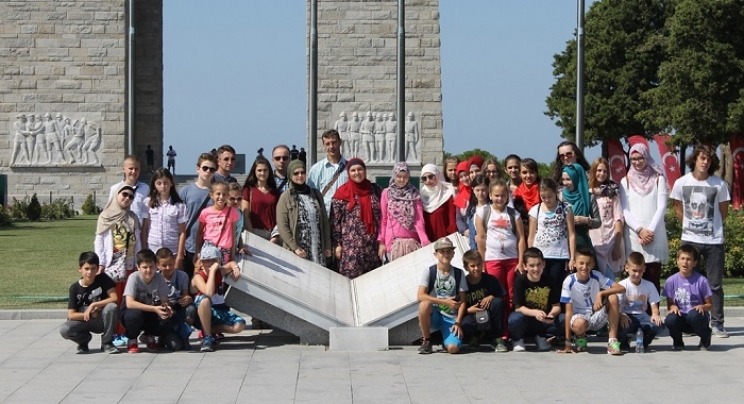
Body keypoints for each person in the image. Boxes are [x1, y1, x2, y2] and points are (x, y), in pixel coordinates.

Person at [670, 145, 730, 338]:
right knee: (686, 281)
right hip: (690, 238)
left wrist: (711, 226)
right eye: (702, 158)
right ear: (694, 159)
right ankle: (686, 320)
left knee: (715, 284)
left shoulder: (718, 185)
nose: (705, 162)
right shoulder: (681, 183)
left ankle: (717, 323)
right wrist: (689, 224)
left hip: (714, 240)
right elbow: (678, 208)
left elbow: (724, 212)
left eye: (708, 160)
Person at [95, 183, 141, 345]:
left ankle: (123, 332)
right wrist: (100, 263)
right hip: (111, 265)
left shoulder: (133, 217)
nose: (127, 198)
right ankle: (112, 332)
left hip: (129, 264)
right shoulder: (106, 215)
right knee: (113, 299)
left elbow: (138, 240)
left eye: (130, 196)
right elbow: (99, 240)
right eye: (124, 195)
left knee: (125, 298)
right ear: (117, 195)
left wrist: (138, 262)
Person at [557, 247, 625, 355]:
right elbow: (568, 312)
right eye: (581, 263)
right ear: (574, 264)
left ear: (593, 264)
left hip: (596, 315)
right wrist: (567, 344)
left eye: (588, 264)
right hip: (579, 318)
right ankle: (580, 337)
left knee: (613, 297)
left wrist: (601, 293)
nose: (585, 267)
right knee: (579, 324)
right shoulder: (569, 281)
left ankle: (612, 342)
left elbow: (621, 288)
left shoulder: (597, 276)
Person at [619, 143, 668, 292]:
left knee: (653, 279)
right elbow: (625, 210)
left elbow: (661, 206)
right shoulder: (625, 181)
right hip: (634, 236)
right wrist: (640, 230)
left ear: (646, 157)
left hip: (655, 235)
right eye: (633, 159)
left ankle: (653, 314)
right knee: (634, 280)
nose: (637, 162)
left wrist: (649, 231)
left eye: (640, 158)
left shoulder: (659, 179)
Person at [475, 180, 525, 324]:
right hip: (492, 259)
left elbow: (521, 238)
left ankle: (510, 329)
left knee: (511, 294)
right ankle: (498, 330)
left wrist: (521, 261)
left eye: (503, 195)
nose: (499, 198)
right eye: (496, 195)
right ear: (490, 195)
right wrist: (482, 262)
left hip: (512, 259)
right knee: (496, 294)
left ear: (507, 197)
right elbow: (481, 238)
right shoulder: (483, 212)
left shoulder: (514, 214)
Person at [59, 252, 120, 354]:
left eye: (93, 269)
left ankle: (107, 342)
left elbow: (114, 298)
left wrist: (94, 305)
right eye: (86, 269)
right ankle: (84, 340)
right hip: (83, 321)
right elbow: (71, 315)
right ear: (80, 269)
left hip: (100, 320)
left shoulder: (102, 279)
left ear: (97, 269)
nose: (90, 272)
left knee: (112, 307)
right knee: (65, 330)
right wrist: (90, 314)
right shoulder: (74, 288)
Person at [331, 158, 382, 278]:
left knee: (372, 282)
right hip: (351, 250)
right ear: (348, 173)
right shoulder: (341, 193)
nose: (356, 173)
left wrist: (382, 241)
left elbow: (383, 217)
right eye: (353, 170)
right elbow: (335, 222)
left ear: (365, 171)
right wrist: (337, 245)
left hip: (372, 248)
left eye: (360, 169)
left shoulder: (375, 190)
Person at [416, 237, 468, 354]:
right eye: (442, 251)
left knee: (453, 349)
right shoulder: (430, 271)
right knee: (424, 305)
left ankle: (446, 341)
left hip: (450, 317)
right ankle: (427, 341)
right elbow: (420, 295)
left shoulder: (459, 273)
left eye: (448, 251)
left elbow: (463, 300)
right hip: (433, 314)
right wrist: (444, 302)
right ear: (436, 254)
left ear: (453, 254)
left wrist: (458, 322)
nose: (446, 254)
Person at [277, 159, 331, 266]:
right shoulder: (286, 197)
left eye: (302, 172)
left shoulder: (316, 194)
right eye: (296, 173)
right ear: (290, 175)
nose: (300, 176)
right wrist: (295, 247)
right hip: (298, 251)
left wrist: (328, 245)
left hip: (317, 250)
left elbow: (324, 222)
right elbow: (283, 227)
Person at [190, 244, 244, 352]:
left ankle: (211, 330)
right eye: (206, 261)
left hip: (218, 311)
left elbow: (230, 264)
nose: (209, 264)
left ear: (218, 261)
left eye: (213, 260)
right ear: (201, 262)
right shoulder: (198, 277)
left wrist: (235, 267)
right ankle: (207, 336)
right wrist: (213, 272)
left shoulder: (220, 271)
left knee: (240, 324)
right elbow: (208, 292)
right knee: (205, 300)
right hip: (201, 314)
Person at [120, 249, 175, 353]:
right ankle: (132, 339)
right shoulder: (134, 277)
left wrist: (166, 308)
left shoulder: (158, 277)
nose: (148, 270)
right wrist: (155, 309)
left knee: (167, 317)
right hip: (130, 311)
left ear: (156, 266)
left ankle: (148, 335)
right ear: (138, 267)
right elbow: (130, 303)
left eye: (151, 267)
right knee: (135, 315)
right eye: (145, 267)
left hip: (149, 311)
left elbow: (165, 299)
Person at [508, 248, 562, 352]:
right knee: (515, 319)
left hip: (543, 320)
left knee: (563, 320)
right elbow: (518, 308)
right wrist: (535, 312)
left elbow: (556, 306)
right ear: (525, 266)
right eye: (532, 265)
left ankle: (542, 337)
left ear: (544, 264)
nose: (536, 269)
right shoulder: (520, 280)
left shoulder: (549, 280)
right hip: (526, 319)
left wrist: (551, 315)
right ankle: (517, 339)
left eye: (539, 264)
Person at [662, 245, 713, 351]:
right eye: (682, 259)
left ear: (694, 263)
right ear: (677, 261)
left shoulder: (701, 281)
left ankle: (705, 337)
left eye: (689, 259)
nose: (685, 262)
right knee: (670, 319)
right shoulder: (671, 281)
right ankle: (677, 341)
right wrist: (673, 307)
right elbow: (670, 304)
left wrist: (703, 306)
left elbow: (710, 305)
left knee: (693, 315)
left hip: (696, 318)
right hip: (681, 318)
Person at [377, 162, 430, 262]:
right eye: (399, 176)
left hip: (412, 242)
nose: (402, 179)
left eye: (405, 176)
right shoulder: (386, 193)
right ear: (394, 175)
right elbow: (383, 220)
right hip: (392, 244)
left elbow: (418, 219)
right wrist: (381, 242)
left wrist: (424, 239)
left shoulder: (414, 193)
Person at [528, 178, 576, 287]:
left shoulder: (566, 208)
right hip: (540, 255)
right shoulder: (535, 210)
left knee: (555, 285)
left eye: (550, 196)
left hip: (559, 255)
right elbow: (531, 236)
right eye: (543, 197)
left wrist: (572, 257)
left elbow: (572, 234)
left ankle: (556, 304)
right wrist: (530, 256)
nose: (546, 200)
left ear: (556, 193)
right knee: (541, 285)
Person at [179, 153, 217, 279]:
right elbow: (179, 220)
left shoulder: (216, 194)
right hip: (187, 244)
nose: (208, 171)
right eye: (205, 168)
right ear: (198, 168)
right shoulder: (186, 191)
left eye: (212, 169)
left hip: (208, 245)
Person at [461, 249, 507, 353]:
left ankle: (497, 338)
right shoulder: (462, 283)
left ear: (482, 264)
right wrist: (469, 310)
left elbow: (501, 295)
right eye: (472, 266)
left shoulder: (491, 279)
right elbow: (458, 307)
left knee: (498, 302)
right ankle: (475, 338)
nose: (476, 268)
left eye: (478, 265)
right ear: (466, 267)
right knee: (466, 324)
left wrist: (491, 297)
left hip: (489, 314)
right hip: (472, 315)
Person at [141, 168, 187, 271]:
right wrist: (144, 250)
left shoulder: (179, 205)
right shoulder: (148, 202)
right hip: (152, 250)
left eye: (166, 183)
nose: (163, 186)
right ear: (154, 185)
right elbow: (145, 228)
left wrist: (179, 256)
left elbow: (182, 232)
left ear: (171, 183)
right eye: (159, 183)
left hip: (172, 251)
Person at [617, 252, 663, 352]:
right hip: (627, 315)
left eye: (640, 271)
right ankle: (623, 342)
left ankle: (644, 342)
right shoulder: (622, 285)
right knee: (622, 326)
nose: (637, 274)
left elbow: (654, 305)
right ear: (626, 268)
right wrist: (621, 315)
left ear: (644, 269)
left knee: (658, 325)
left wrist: (655, 314)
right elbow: (617, 306)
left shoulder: (649, 285)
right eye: (634, 270)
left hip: (642, 315)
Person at [588, 157, 625, 279]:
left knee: (610, 282)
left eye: (605, 171)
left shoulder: (612, 192)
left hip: (610, 241)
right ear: (593, 171)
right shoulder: (586, 193)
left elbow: (618, 218)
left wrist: (617, 246)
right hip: (593, 242)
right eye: (599, 170)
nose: (602, 174)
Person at [155, 248, 193, 351]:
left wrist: (188, 298)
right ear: (157, 265)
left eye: (171, 264)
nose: (168, 268)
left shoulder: (182, 276)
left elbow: (185, 294)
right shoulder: (155, 278)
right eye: (164, 265)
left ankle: (185, 336)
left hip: (178, 308)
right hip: (165, 313)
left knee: (191, 309)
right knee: (176, 346)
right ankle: (162, 335)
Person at [560, 163, 600, 257]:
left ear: (576, 178)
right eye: (563, 179)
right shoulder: (560, 196)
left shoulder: (589, 197)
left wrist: (586, 220)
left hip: (582, 242)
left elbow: (598, 222)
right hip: (563, 243)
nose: (565, 183)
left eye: (568, 179)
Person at [196, 181, 241, 265]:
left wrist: (232, 255)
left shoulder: (232, 212)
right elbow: (199, 233)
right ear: (212, 195)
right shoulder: (205, 212)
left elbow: (233, 234)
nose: (221, 197)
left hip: (225, 250)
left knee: (221, 276)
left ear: (228, 196)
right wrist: (197, 251)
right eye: (218, 194)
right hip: (209, 250)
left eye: (224, 194)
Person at [241, 156, 280, 243]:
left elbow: (280, 217)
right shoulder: (248, 190)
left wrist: (275, 237)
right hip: (254, 232)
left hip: (272, 235)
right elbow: (245, 215)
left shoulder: (276, 193)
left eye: (265, 170)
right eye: (259, 170)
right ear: (254, 171)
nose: (262, 173)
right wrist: (252, 236)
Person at [308, 129, 348, 211]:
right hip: (326, 217)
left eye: (334, 142)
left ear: (340, 142)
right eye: (328, 144)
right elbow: (311, 197)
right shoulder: (316, 169)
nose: (331, 146)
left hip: (346, 217)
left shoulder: (350, 168)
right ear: (323, 145)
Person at [107, 155, 150, 227]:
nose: (134, 171)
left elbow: (148, 212)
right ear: (123, 169)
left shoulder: (145, 188)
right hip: (122, 230)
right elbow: (110, 212)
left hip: (139, 230)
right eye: (131, 168)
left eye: (136, 169)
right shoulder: (115, 189)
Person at [419, 164, 457, 241]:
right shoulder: (419, 197)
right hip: (427, 241)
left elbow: (452, 221)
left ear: (437, 175)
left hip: (444, 240)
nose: (428, 181)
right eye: (424, 178)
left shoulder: (447, 195)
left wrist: (451, 239)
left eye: (431, 176)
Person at [512, 158, 541, 224]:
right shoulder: (516, 194)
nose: (528, 176)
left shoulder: (544, 191)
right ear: (520, 174)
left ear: (537, 173)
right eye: (524, 172)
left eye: (531, 172)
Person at [465, 174, 490, 250]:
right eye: (477, 190)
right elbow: (472, 234)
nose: (480, 193)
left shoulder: (493, 207)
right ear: (473, 190)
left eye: (483, 190)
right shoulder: (472, 209)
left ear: (488, 189)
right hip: (476, 249)